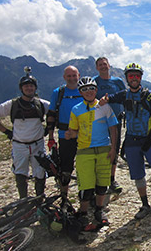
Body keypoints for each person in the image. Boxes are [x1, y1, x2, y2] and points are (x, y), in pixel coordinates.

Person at [99, 63, 151, 221]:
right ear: (127, 78)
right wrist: (104, 99)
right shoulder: (123, 95)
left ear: (140, 78)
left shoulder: (150, 97)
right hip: (131, 141)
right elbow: (109, 99)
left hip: (148, 139)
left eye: (136, 76)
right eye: (131, 76)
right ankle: (145, 205)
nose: (134, 78)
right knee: (138, 176)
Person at [0, 67, 49, 199]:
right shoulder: (12, 104)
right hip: (19, 145)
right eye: (26, 86)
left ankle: (40, 199)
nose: (29, 88)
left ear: (35, 88)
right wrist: (7, 132)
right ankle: (23, 201)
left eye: (31, 86)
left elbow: (56, 112)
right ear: (21, 88)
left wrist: (49, 127)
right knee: (21, 173)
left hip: (37, 144)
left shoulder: (41, 104)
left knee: (40, 172)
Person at [65, 76, 118, 227]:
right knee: (86, 186)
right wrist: (70, 134)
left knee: (102, 183)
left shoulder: (104, 106)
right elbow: (74, 131)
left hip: (104, 149)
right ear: (80, 92)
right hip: (84, 151)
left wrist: (114, 148)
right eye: (84, 89)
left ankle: (99, 210)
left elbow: (113, 128)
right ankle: (83, 213)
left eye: (91, 88)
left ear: (96, 90)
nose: (89, 91)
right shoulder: (76, 110)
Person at [46, 65, 82, 197]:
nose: (72, 78)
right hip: (64, 134)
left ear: (79, 75)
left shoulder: (85, 90)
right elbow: (51, 115)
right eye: (69, 76)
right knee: (65, 168)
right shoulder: (58, 92)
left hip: (84, 134)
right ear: (64, 77)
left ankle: (86, 195)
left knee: (85, 165)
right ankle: (64, 196)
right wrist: (51, 137)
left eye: (74, 75)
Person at [94, 57, 126, 194]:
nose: (103, 67)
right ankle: (99, 180)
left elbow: (125, 96)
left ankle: (111, 179)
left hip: (116, 120)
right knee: (100, 148)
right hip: (99, 121)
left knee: (114, 147)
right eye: (100, 65)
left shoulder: (117, 82)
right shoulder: (94, 81)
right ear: (97, 67)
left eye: (104, 64)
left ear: (109, 66)